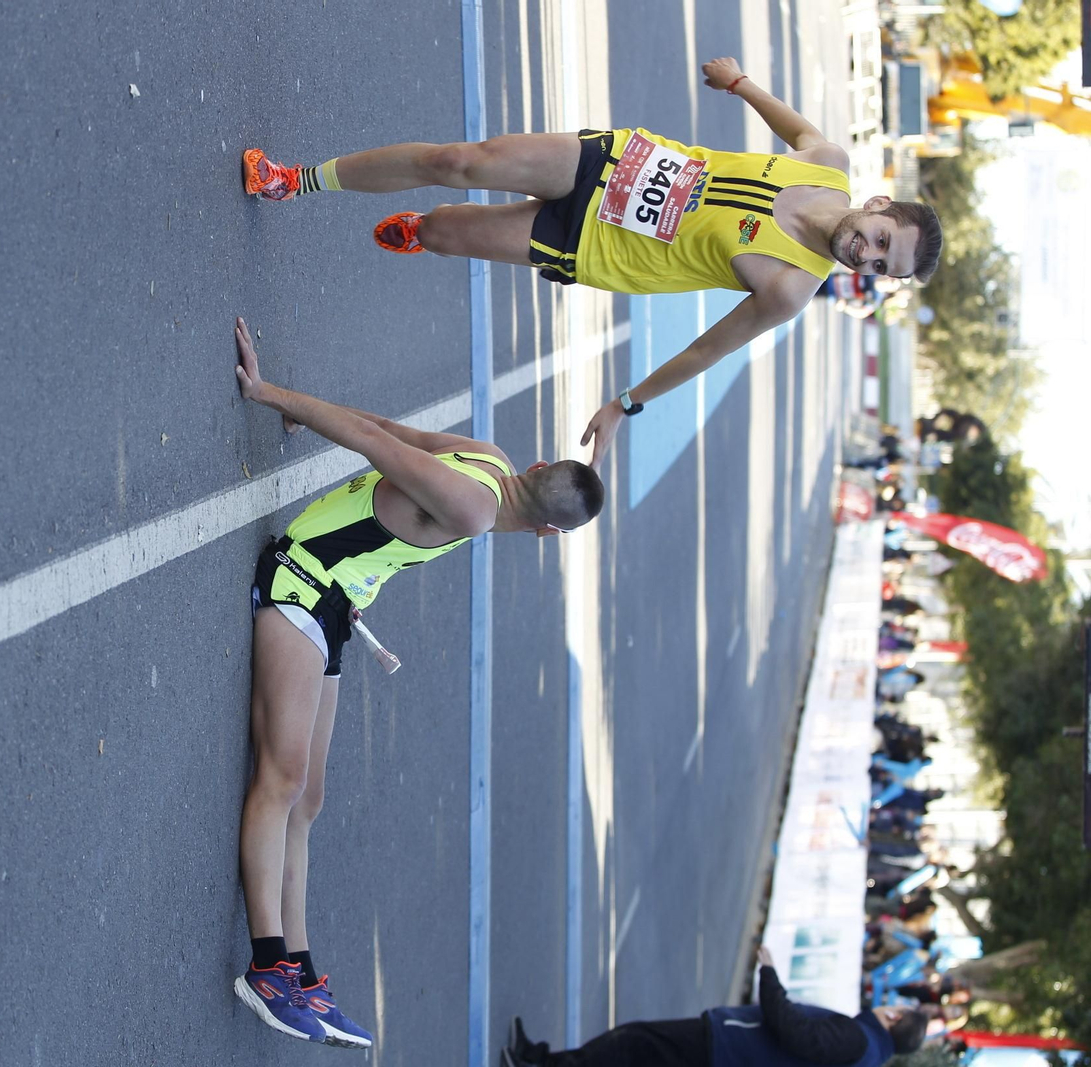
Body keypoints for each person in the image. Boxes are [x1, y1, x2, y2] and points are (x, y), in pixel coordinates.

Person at [241, 56, 943, 464]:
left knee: (447, 230)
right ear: (879, 205)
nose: (868, 255)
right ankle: (293, 180)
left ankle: (424, 230)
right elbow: (801, 128)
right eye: (882, 240)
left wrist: (624, 404)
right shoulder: (826, 166)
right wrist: (739, 84)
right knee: (457, 161)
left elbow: (705, 351)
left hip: (594, 245)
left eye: (882, 267)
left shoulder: (791, 287)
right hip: (617, 162)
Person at [227, 317, 605, 1046]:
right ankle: (267, 966)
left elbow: (384, 429)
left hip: (334, 604)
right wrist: (270, 392)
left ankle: (300, 966)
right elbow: (377, 444)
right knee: (282, 777)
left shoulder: (490, 460)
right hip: (301, 584)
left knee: (310, 797)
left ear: (534, 470)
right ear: (547, 534)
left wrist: (292, 402)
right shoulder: (476, 508)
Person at [501, 948, 927, 1066]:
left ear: (894, 1018)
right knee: (630, 1050)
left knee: (631, 1044)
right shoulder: (865, 1053)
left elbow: (797, 1033)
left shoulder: (858, 1040)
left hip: (724, 1049)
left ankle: (538, 1064)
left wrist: (770, 976)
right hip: (726, 1053)